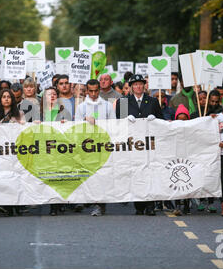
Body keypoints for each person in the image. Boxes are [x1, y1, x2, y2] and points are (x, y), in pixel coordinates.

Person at [115, 74, 163, 216]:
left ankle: (150, 205)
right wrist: (125, 120)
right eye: (135, 84)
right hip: (133, 145)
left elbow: (162, 121)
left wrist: (155, 120)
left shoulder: (153, 101)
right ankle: (139, 205)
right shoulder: (123, 101)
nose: (138, 86)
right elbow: (118, 123)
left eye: (141, 84)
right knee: (135, 174)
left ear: (144, 86)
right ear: (130, 87)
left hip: (149, 144)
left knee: (149, 173)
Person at [74, 79, 115, 217]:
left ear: (99, 90)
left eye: (95, 91)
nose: (93, 94)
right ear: (86, 91)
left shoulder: (107, 106)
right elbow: (76, 127)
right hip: (87, 147)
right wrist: (85, 121)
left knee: (101, 175)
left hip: (102, 145)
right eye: (90, 91)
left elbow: (113, 125)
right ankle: (88, 199)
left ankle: (100, 204)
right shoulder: (81, 107)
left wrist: (97, 123)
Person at [0, 88, 26, 216]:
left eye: (8, 97)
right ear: (0, 99)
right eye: (3, 96)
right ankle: (7, 205)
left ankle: (19, 205)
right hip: (1, 151)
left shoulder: (19, 113)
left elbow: (25, 130)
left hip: (16, 150)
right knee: (4, 177)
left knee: (17, 177)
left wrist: (22, 124)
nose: (6, 99)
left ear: (12, 99)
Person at [35, 87, 71, 216]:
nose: (52, 96)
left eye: (55, 94)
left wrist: (66, 123)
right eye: (49, 94)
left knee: (59, 176)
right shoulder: (38, 113)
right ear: (44, 97)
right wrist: (35, 123)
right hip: (44, 149)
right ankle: (52, 203)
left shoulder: (63, 111)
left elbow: (71, 127)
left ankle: (56, 205)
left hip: (60, 149)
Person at [172, 104, 192, 215]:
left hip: (188, 159)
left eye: (184, 120)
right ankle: (178, 204)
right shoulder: (173, 130)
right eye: (179, 120)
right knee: (177, 183)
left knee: (188, 181)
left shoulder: (192, 131)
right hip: (176, 159)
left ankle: (187, 204)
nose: (182, 122)